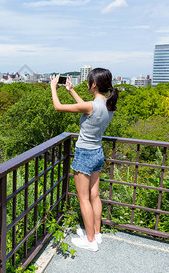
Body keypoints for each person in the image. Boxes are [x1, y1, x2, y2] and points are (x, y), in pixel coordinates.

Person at [50, 68, 118, 251]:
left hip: (84, 153)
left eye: (88, 81)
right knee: (94, 196)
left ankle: (90, 241)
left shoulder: (92, 106)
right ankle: (96, 233)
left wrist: (53, 87)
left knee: (83, 198)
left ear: (94, 84)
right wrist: (71, 90)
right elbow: (87, 107)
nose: (87, 84)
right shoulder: (108, 105)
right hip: (97, 152)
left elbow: (58, 107)